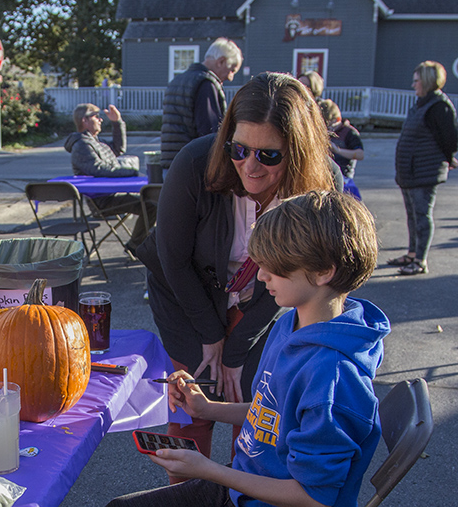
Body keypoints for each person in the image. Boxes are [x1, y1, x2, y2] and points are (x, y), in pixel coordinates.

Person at [109, 190, 389, 507]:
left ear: (324, 271)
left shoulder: (334, 379)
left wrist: (209, 470)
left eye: (276, 266)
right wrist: (206, 409)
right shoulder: (290, 325)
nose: (260, 275)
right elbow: (273, 414)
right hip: (246, 485)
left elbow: (315, 498)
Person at [136, 72, 336, 465]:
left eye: (270, 155)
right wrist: (211, 335)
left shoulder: (322, 187)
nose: (251, 166)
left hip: (263, 300)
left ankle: (238, 488)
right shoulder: (195, 162)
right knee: (194, 397)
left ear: (297, 152)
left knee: (254, 399)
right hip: (186, 293)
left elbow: (303, 281)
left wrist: (237, 348)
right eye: (239, 149)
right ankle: (190, 492)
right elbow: (173, 259)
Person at [388, 60, 458, 276]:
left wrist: (449, 159)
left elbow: (450, 139)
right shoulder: (421, 104)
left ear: (427, 81)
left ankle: (420, 260)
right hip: (410, 171)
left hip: (424, 171)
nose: (413, 85)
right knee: (412, 215)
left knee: (422, 215)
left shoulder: (439, 107)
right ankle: (411, 253)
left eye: (416, 80)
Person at [64, 103, 155, 255]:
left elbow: (118, 148)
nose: (100, 120)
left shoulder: (95, 142)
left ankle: (138, 243)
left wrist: (117, 122)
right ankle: (136, 245)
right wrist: (131, 172)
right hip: (102, 201)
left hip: (111, 195)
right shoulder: (82, 145)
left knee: (152, 203)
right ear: (84, 121)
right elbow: (99, 170)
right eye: (96, 117)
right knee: (151, 205)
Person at [160, 38, 243, 170]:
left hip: (172, 163)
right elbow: (210, 133)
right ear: (221, 61)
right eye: (232, 70)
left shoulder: (177, 80)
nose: (230, 77)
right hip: (193, 166)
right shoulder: (206, 84)